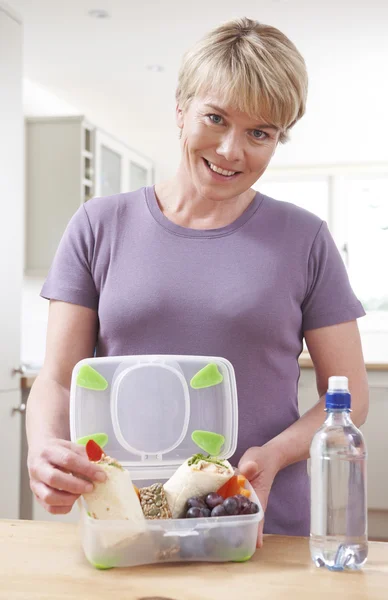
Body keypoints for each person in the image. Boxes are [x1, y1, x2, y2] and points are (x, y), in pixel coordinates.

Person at [26, 17, 368, 547]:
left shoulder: (305, 239)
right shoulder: (98, 226)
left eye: (261, 133)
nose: (232, 150)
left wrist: (274, 455)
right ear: (181, 111)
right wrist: (45, 446)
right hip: (128, 520)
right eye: (216, 118)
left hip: (258, 517)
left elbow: (349, 395)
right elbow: (61, 378)